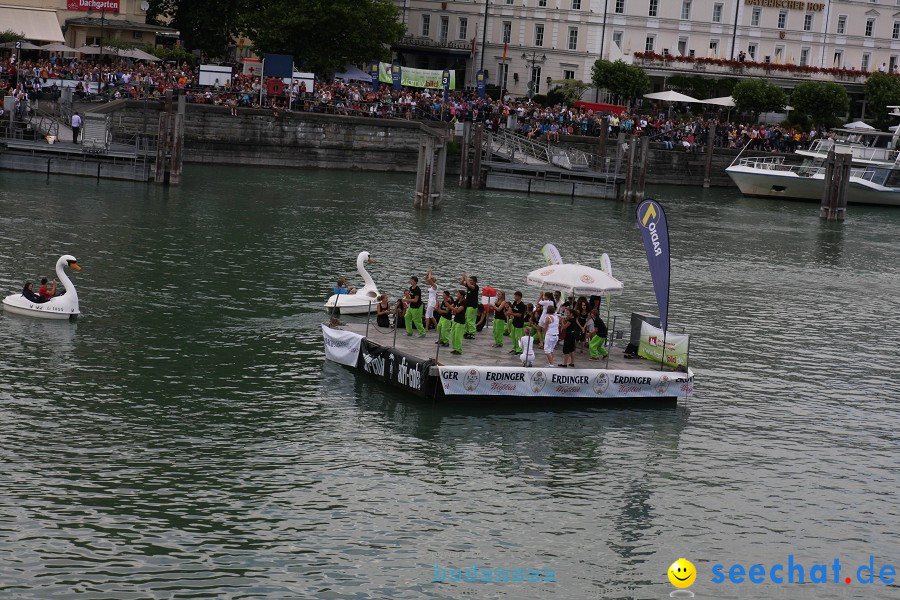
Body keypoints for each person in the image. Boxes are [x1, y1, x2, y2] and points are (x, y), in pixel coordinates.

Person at [460, 271, 479, 338]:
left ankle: (472, 332)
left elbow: (470, 286)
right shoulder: (469, 285)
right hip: (468, 305)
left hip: (472, 305)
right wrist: (463, 278)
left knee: (471, 320)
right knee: (467, 319)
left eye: (471, 280)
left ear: (474, 281)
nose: (470, 281)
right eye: (469, 280)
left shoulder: (475, 287)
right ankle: (467, 331)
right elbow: (461, 283)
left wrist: (465, 277)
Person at [449, 290, 467, 355]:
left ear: (461, 295)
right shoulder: (457, 301)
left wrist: (449, 306)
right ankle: (455, 348)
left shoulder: (464, 302)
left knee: (458, 336)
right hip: (456, 320)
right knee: (453, 335)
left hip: (461, 321)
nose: (457, 294)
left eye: (458, 294)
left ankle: (458, 350)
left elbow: (458, 310)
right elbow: (453, 305)